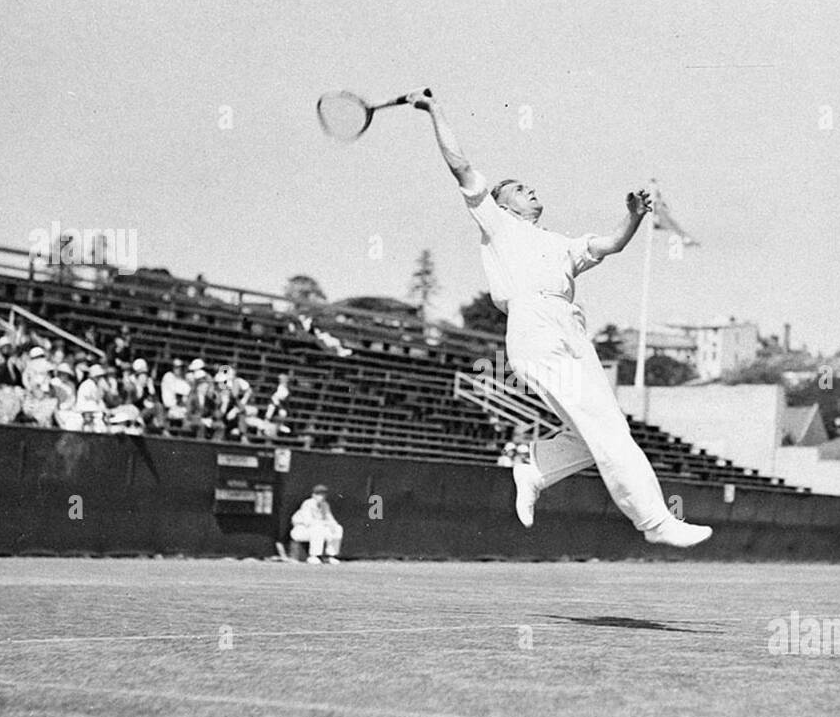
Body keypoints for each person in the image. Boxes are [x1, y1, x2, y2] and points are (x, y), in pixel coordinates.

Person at [410, 90, 711, 548]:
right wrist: (435, 110)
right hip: (535, 329)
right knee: (606, 429)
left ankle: (534, 467)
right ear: (504, 206)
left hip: (571, 329)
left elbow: (610, 245)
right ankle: (655, 520)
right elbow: (460, 166)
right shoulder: (498, 226)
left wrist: (631, 218)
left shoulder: (560, 244)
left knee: (599, 431)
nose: (529, 190)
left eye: (528, 187)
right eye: (518, 190)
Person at [289, 484, 343, 564]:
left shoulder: (325, 505)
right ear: (313, 495)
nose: (322, 496)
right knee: (318, 528)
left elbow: (331, 519)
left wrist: (333, 525)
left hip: (317, 530)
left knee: (338, 528)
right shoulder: (307, 504)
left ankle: (330, 556)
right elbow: (309, 522)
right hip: (300, 530)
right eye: (319, 494)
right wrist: (326, 523)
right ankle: (313, 556)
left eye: (324, 494)